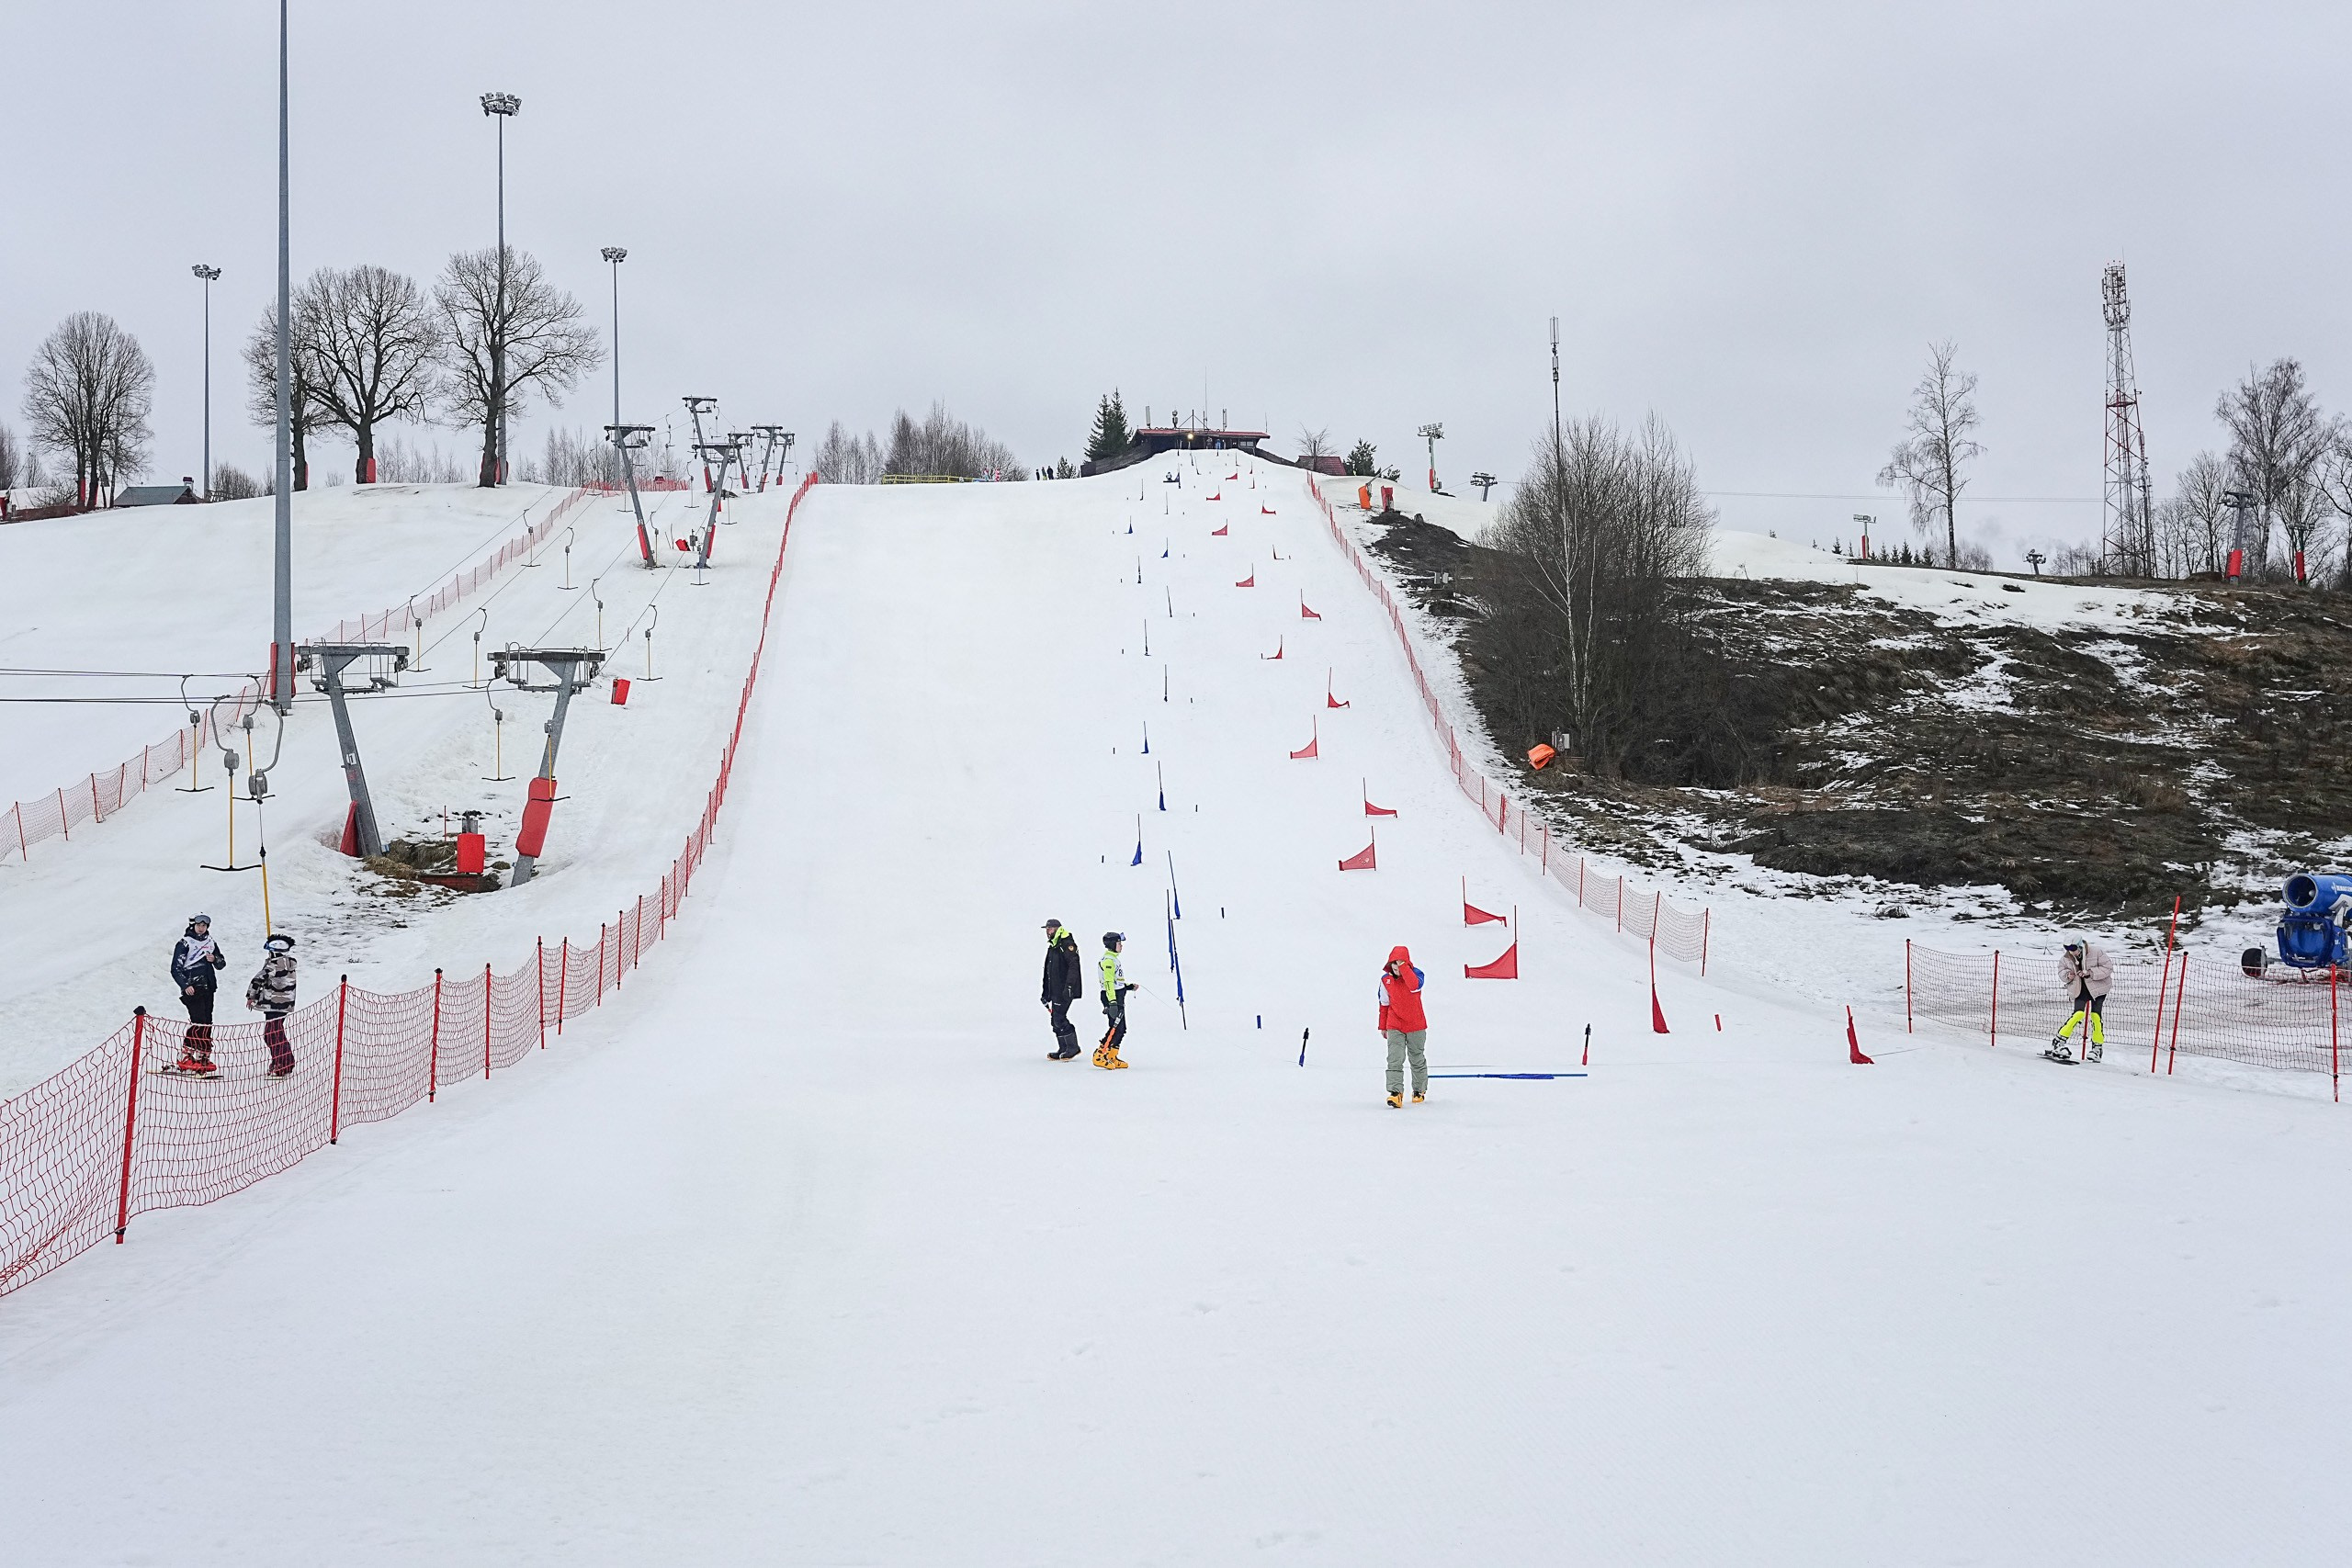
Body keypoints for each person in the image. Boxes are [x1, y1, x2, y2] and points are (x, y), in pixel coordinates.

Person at [168, 913, 229, 1076]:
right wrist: (185, 985)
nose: (201, 928)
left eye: (204, 925)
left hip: (209, 986)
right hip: (192, 988)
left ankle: (203, 1055)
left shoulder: (211, 942)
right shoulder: (185, 943)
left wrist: (214, 959)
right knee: (198, 1020)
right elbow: (175, 968)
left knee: (207, 1021)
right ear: (193, 925)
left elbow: (222, 963)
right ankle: (186, 1054)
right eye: (198, 925)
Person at [1378, 944, 1429, 1108]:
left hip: (1416, 1025)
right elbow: (1384, 1004)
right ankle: (1395, 1093)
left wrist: (1404, 967)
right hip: (1395, 1024)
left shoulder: (1417, 975)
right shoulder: (1385, 980)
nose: (1397, 967)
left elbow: (1414, 986)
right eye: (1394, 963)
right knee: (1394, 1058)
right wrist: (1383, 1026)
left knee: (1416, 1058)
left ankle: (1419, 1091)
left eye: (1400, 963)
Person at [2051, 936, 2114, 1064]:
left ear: (2080, 946)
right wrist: (2068, 975)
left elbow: (2108, 968)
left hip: (2098, 989)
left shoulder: (2096, 952)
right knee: (2078, 1014)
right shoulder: (2066, 958)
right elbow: (2061, 971)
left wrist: (2090, 972)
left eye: (2073, 948)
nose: (2071, 951)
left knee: (2096, 1016)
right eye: (2067, 949)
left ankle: (2097, 1048)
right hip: (2079, 989)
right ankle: (2059, 1041)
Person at [246, 933, 298, 1077]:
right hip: (284, 1004)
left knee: (272, 1034)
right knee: (275, 1033)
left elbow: (258, 979)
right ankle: (282, 1061)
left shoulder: (274, 964)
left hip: (273, 1003)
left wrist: (251, 996)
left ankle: (282, 1063)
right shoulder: (288, 963)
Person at [1094, 931, 1138, 1070]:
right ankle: (1100, 1055)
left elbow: (1116, 982)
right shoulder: (1108, 961)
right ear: (1112, 945)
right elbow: (1108, 983)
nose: (1121, 946)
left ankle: (1112, 1055)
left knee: (1121, 1029)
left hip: (1118, 996)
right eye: (1119, 944)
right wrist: (1112, 1002)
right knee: (1116, 1027)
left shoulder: (1114, 959)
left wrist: (1128, 987)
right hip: (1111, 998)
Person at [1041, 919, 1084, 1060]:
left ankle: (1073, 1047)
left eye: (1050, 929)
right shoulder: (1053, 946)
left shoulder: (1066, 943)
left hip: (1064, 989)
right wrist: (1045, 993)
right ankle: (1063, 1048)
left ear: (1057, 929)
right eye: (1047, 929)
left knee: (1059, 1018)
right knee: (1055, 1020)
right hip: (1055, 989)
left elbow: (1074, 966)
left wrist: (1070, 987)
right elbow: (1047, 972)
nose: (1048, 932)